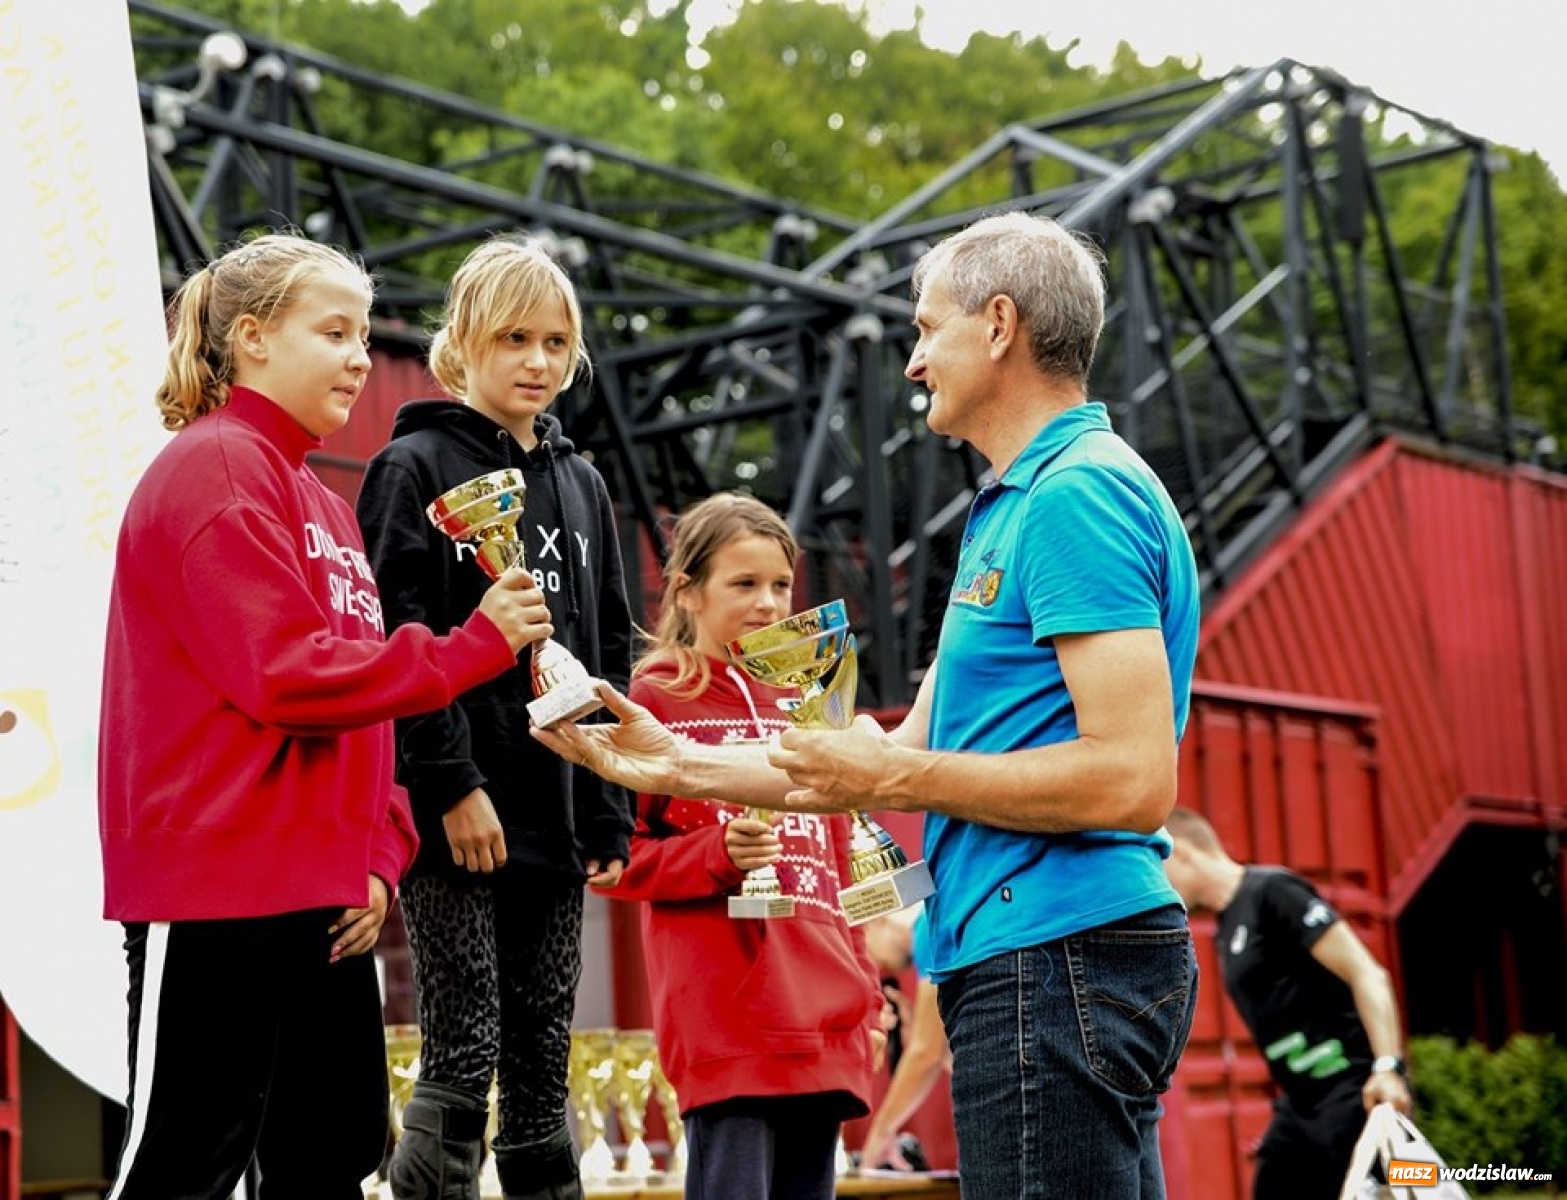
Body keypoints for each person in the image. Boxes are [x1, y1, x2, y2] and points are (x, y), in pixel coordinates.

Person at [535, 209, 1204, 1199]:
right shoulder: (1018, 504)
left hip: (1052, 959)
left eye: (926, 328)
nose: (912, 360)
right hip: (1038, 964)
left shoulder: (1074, 495)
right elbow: (891, 747)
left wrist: (890, 774)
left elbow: (1134, 778)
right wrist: (669, 763)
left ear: (1000, 325)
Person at [98, 232, 554, 1200]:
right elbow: (285, 676)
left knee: (331, 1156)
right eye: (335, 331)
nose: (359, 355)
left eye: (363, 333)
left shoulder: (323, 500)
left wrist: (380, 857)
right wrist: (472, 646)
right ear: (254, 339)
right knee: (186, 1162)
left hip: (326, 894)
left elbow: (365, 711)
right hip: (216, 882)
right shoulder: (214, 469)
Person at [355, 235, 635, 1200]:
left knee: (541, 1062)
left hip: (557, 813)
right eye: (514, 338)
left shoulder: (585, 483)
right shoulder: (412, 466)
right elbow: (395, 637)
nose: (538, 362)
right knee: (464, 1044)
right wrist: (450, 786)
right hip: (459, 819)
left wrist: (608, 809)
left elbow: (603, 651)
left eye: (557, 343)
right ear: (462, 342)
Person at [606, 492, 887, 1200]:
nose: (767, 603)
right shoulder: (653, 699)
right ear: (686, 591)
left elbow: (842, 854)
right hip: (727, 1019)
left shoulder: (812, 701)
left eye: (780, 584)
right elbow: (613, 860)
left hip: (824, 1015)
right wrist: (717, 857)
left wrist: (867, 995)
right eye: (743, 584)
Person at [1161, 806, 1414, 1198]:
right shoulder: (1226, 925)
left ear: (1181, 852)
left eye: (1158, 867)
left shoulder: (1272, 892)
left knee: (1404, 1186)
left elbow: (1368, 973)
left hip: (1353, 1093)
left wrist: (1388, 1067)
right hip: (1301, 1107)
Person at [857, 911, 952, 1174]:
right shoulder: (933, 933)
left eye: (862, 941)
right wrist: (924, 1034)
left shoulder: (929, 930)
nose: (877, 963)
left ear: (877, 920)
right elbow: (966, 1061)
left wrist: (880, 1134)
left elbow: (926, 1053)